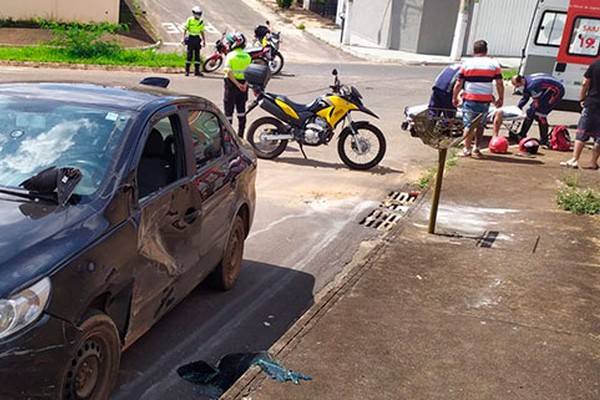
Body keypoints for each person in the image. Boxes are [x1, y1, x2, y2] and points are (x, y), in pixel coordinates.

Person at [452, 39, 504, 158]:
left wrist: (455, 97)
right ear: (486, 50)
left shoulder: (467, 63)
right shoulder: (494, 64)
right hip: (485, 99)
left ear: (474, 50)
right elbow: (499, 83)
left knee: (468, 124)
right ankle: (477, 148)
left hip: (470, 98)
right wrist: (500, 98)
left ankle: (467, 148)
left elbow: (459, 82)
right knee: (481, 124)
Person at [561, 58, 600, 169]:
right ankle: (593, 162)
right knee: (599, 137)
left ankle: (575, 159)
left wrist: (582, 98)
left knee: (582, 132)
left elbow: (585, 83)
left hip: (592, 103)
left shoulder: (595, 64)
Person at [511, 74, 565, 146]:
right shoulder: (525, 82)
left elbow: (537, 101)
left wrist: (533, 110)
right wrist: (519, 107)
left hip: (556, 91)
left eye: (517, 86)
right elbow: (525, 97)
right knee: (530, 112)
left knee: (540, 114)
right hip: (546, 89)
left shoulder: (532, 85)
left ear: (521, 81)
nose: (517, 88)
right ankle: (522, 134)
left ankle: (544, 139)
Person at [223, 32, 252, 138]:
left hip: (231, 86)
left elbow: (228, 72)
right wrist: (244, 84)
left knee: (228, 114)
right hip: (244, 87)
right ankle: (240, 136)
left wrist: (237, 84)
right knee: (241, 112)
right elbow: (250, 73)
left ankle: (228, 138)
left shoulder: (230, 55)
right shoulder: (248, 56)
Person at [182, 6, 206, 77]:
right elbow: (185, 29)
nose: (198, 15)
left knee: (197, 56)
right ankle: (187, 71)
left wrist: (204, 40)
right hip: (191, 38)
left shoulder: (201, 21)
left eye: (199, 13)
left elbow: (202, 31)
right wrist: (183, 38)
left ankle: (197, 71)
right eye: (197, 13)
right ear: (194, 13)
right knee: (189, 55)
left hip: (197, 39)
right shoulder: (190, 20)